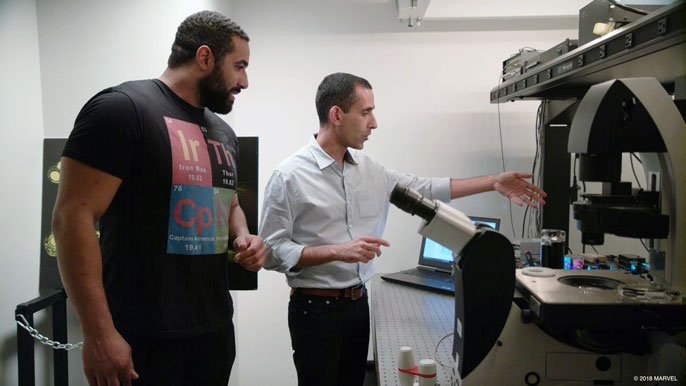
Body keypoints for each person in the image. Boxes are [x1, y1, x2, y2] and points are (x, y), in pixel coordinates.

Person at [259, 72, 546, 386]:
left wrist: (492, 182)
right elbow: (271, 253)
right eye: (366, 112)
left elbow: (427, 187)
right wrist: (337, 252)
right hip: (313, 312)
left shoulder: (371, 171)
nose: (374, 122)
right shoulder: (288, 176)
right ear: (336, 115)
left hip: (358, 306)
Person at [51, 11, 266, 386]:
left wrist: (244, 235)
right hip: (142, 339)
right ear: (204, 58)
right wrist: (99, 334)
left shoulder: (223, 132)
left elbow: (227, 201)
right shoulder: (121, 109)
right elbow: (72, 219)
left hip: (213, 332)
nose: (244, 81)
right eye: (239, 66)